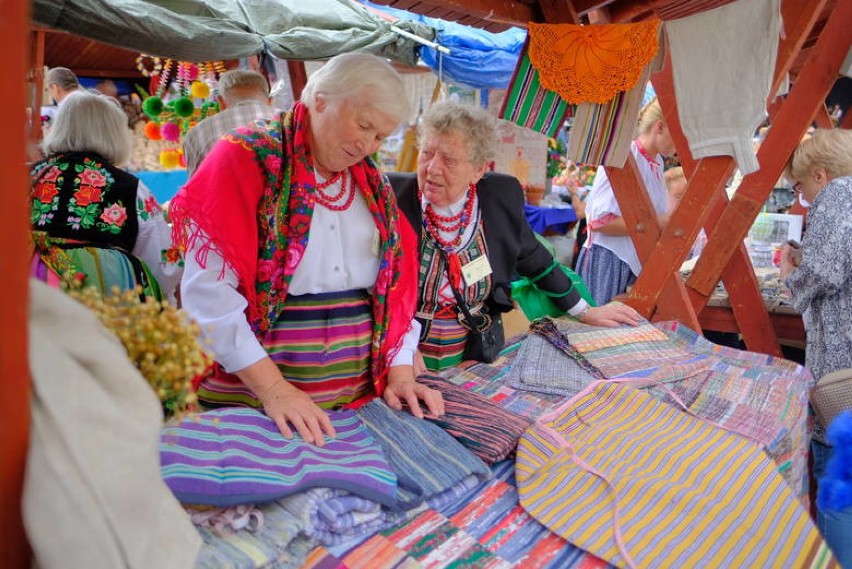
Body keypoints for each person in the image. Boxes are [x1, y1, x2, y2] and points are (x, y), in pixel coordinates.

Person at [170, 53, 444, 447]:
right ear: (320, 99)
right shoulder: (246, 158)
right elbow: (208, 296)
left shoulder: (373, 185)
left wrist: (400, 372)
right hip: (257, 401)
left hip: (355, 403)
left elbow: (397, 286)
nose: (367, 145)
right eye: (363, 125)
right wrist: (275, 391)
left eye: (380, 137)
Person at [389, 100, 641, 372]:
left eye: (449, 160)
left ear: (478, 170)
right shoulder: (392, 197)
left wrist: (586, 311)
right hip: (401, 356)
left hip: (474, 352)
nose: (433, 168)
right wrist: (400, 350)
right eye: (427, 153)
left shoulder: (499, 198)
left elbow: (539, 264)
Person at [778, 128, 852, 567]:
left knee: (837, 473)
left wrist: (791, 272)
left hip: (842, 357)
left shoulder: (836, 198)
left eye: (801, 185)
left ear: (820, 176)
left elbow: (826, 272)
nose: (801, 194)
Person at [29, 92, 182, 302]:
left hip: (30, 293)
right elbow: (164, 265)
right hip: (105, 302)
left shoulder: (30, 177)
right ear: (113, 133)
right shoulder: (129, 186)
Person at [576, 97, 676, 305]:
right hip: (608, 261)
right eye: (678, 135)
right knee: (601, 335)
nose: (679, 145)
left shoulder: (656, 162)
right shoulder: (625, 156)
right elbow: (600, 222)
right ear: (660, 127)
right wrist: (656, 223)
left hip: (629, 262)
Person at [182, 69, 278, 176]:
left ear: (221, 102)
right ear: (270, 101)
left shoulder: (196, 135)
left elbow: (196, 187)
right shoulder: (292, 121)